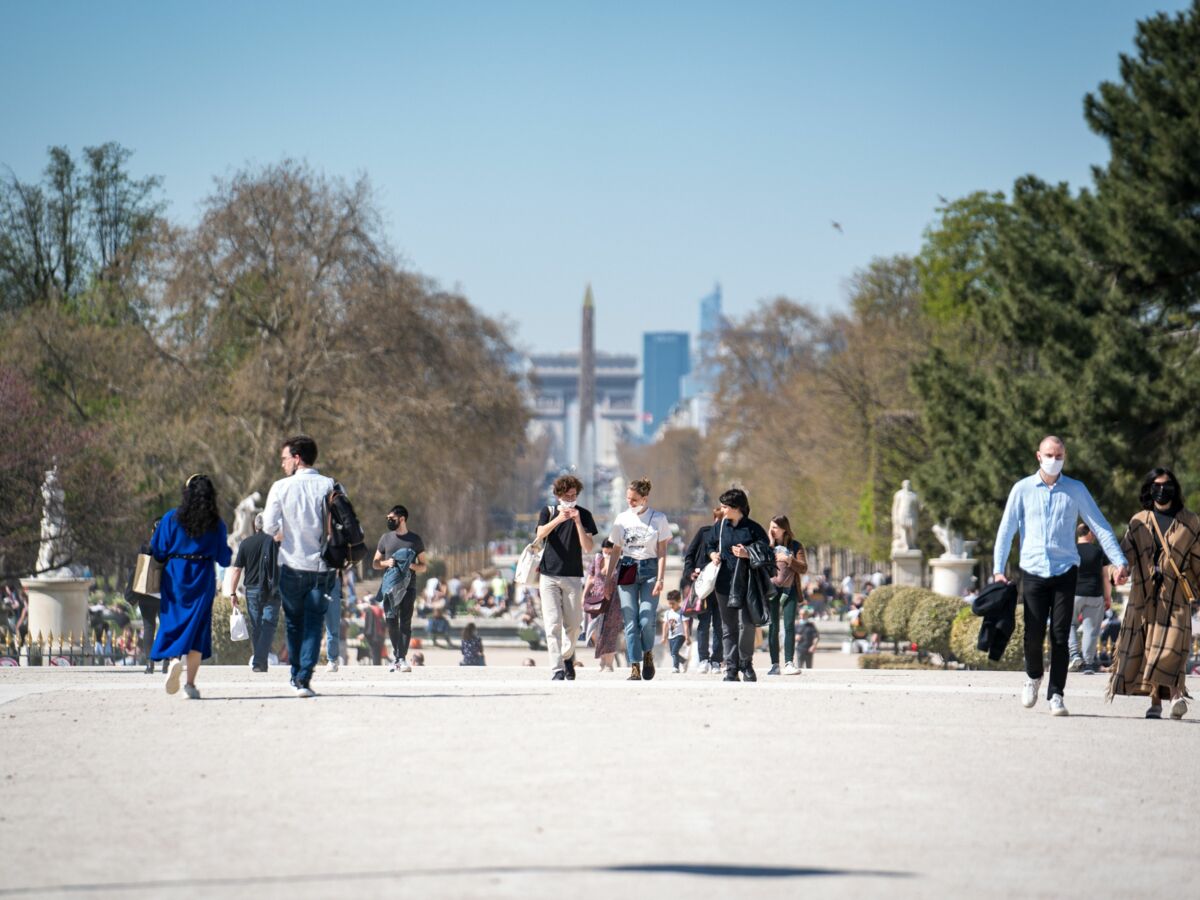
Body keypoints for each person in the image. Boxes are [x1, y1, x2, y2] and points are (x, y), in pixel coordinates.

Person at [993, 435, 1129, 717]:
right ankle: (1033, 676)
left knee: (1059, 635)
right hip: (1033, 571)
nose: (1054, 460)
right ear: (1038, 456)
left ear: (1064, 457)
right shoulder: (1023, 489)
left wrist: (1119, 561)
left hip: (1066, 570)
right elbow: (1006, 531)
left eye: (1059, 456)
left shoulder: (1075, 489)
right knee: (1032, 635)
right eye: (1049, 455)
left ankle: (1056, 693)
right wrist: (997, 569)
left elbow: (1099, 525)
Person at [1107, 468, 1196, 719]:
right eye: (1156, 485)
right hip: (1145, 596)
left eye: (1166, 485)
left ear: (1174, 489)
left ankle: (1177, 695)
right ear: (1149, 489)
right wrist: (1118, 570)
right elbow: (1125, 554)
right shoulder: (1139, 520)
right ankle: (1156, 702)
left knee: (1174, 648)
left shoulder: (1189, 521)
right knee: (1150, 650)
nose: (1161, 490)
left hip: (1176, 596)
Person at [261, 434, 340, 698]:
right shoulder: (330, 485)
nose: (282, 464)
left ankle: (295, 674)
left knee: (294, 622)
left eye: (285, 459)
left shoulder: (281, 488)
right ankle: (304, 677)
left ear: (297, 458)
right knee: (314, 622)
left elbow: (269, 526)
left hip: (292, 565)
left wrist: (284, 531)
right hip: (322, 566)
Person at [149, 474, 232, 699]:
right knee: (198, 630)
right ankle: (190, 685)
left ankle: (174, 659)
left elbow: (158, 550)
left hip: (175, 575)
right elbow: (224, 559)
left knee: (172, 621)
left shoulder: (170, 518)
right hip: (202, 576)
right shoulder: (217, 525)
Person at [606, 477, 672, 681]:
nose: (630, 503)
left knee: (646, 619)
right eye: (628, 499)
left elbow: (662, 551)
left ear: (644, 498)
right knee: (630, 620)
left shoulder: (658, 518)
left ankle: (648, 653)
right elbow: (616, 550)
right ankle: (634, 665)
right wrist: (609, 577)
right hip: (627, 567)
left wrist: (660, 578)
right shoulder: (622, 519)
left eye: (634, 500)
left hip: (650, 568)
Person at [535, 474, 598, 680]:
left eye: (574, 496)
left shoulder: (585, 514)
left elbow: (588, 548)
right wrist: (559, 519)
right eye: (567, 496)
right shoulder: (548, 512)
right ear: (558, 495)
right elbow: (540, 535)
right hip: (549, 576)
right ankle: (557, 669)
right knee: (552, 624)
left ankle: (568, 657)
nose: (571, 500)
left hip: (572, 576)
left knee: (573, 625)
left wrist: (578, 523)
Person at [705, 487, 771, 682]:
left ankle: (746, 664)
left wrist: (747, 553)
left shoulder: (753, 528)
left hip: (747, 583)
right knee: (728, 627)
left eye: (725, 506)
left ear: (737, 508)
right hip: (724, 582)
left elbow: (766, 550)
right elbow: (709, 544)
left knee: (747, 625)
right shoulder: (720, 526)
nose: (722, 510)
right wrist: (713, 555)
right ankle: (731, 669)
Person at [372, 505, 428, 673]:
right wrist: (385, 563)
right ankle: (397, 657)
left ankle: (401, 658)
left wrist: (411, 565)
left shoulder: (415, 540)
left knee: (405, 622)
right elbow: (374, 563)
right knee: (391, 622)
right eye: (388, 519)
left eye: (392, 519)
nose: (389, 521)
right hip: (389, 588)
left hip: (409, 587)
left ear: (402, 519)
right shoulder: (385, 538)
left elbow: (424, 566)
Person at [227, 513, 280, 673]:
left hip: (252, 590)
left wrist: (232, 592)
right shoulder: (275, 543)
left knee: (257, 626)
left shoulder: (246, 543)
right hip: (272, 590)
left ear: (255, 526)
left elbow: (236, 570)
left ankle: (259, 661)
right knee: (269, 624)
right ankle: (260, 660)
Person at [767, 515, 808, 676]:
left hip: (789, 590)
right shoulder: (767, 546)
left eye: (775, 527)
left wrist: (788, 559)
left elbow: (803, 568)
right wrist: (770, 544)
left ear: (784, 529)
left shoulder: (795, 546)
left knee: (789, 625)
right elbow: (760, 563)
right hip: (771, 590)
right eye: (770, 527)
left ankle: (789, 662)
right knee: (773, 627)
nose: (772, 530)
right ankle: (774, 664)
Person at [683, 509, 723, 675]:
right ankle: (704, 659)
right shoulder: (704, 532)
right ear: (714, 519)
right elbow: (689, 554)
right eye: (720, 519)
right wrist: (690, 572)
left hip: (721, 585)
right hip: (703, 585)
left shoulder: (731, 537)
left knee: (720, 625)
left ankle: (716, 660)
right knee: (704, 623)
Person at [1068, 523, 1110, 675]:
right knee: (1090, 630)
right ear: (1090, 533)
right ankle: (1088, 664)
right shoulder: (1098, 552)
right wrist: (1107, 597)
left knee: (1068, 624)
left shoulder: (1070, 550)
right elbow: (1105, 577)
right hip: (1094, 594)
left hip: (1073, 594)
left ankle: (1074, 655)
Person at [125, 520, 165, 675]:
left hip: (146, 593)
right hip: (164, 595)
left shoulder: (145, 548)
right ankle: (167, 663)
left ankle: (150, 663)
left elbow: (138, 570)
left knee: (148, 628)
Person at [585, 540, 622, 671]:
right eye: (605, 549)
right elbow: (590, 578)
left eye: (610, 550)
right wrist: (584, 596)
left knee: (611, 632)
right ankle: (601, 657)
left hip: (614, 601)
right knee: (593, 631)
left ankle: (608, 663)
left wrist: (610, 560)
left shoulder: (620, 561)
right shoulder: (596, 558)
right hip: (596, 599)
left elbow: (609, 573)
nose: (606, 552)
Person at [661, 590, 690, 673]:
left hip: (680, 635)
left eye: (673, 603)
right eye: (669, 603)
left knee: (674, 652)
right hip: (671, 637)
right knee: (673, 653)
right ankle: (684, 661)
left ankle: (675, 667)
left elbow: (686, 625)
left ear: (679, 601)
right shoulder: (667, 613)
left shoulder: (682, 612)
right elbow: (665, 625)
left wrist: (687, 637)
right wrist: (664, 637)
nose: (671, 605)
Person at [362, 595, 387, 665]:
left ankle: (376, 666)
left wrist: (365, 634)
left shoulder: (369, 610)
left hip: (372, 635)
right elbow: (383, 622)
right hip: (380, 635)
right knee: (378, 653)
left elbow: (367, 624)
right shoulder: (379, 610)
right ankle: (378, 665)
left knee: (373, 652)